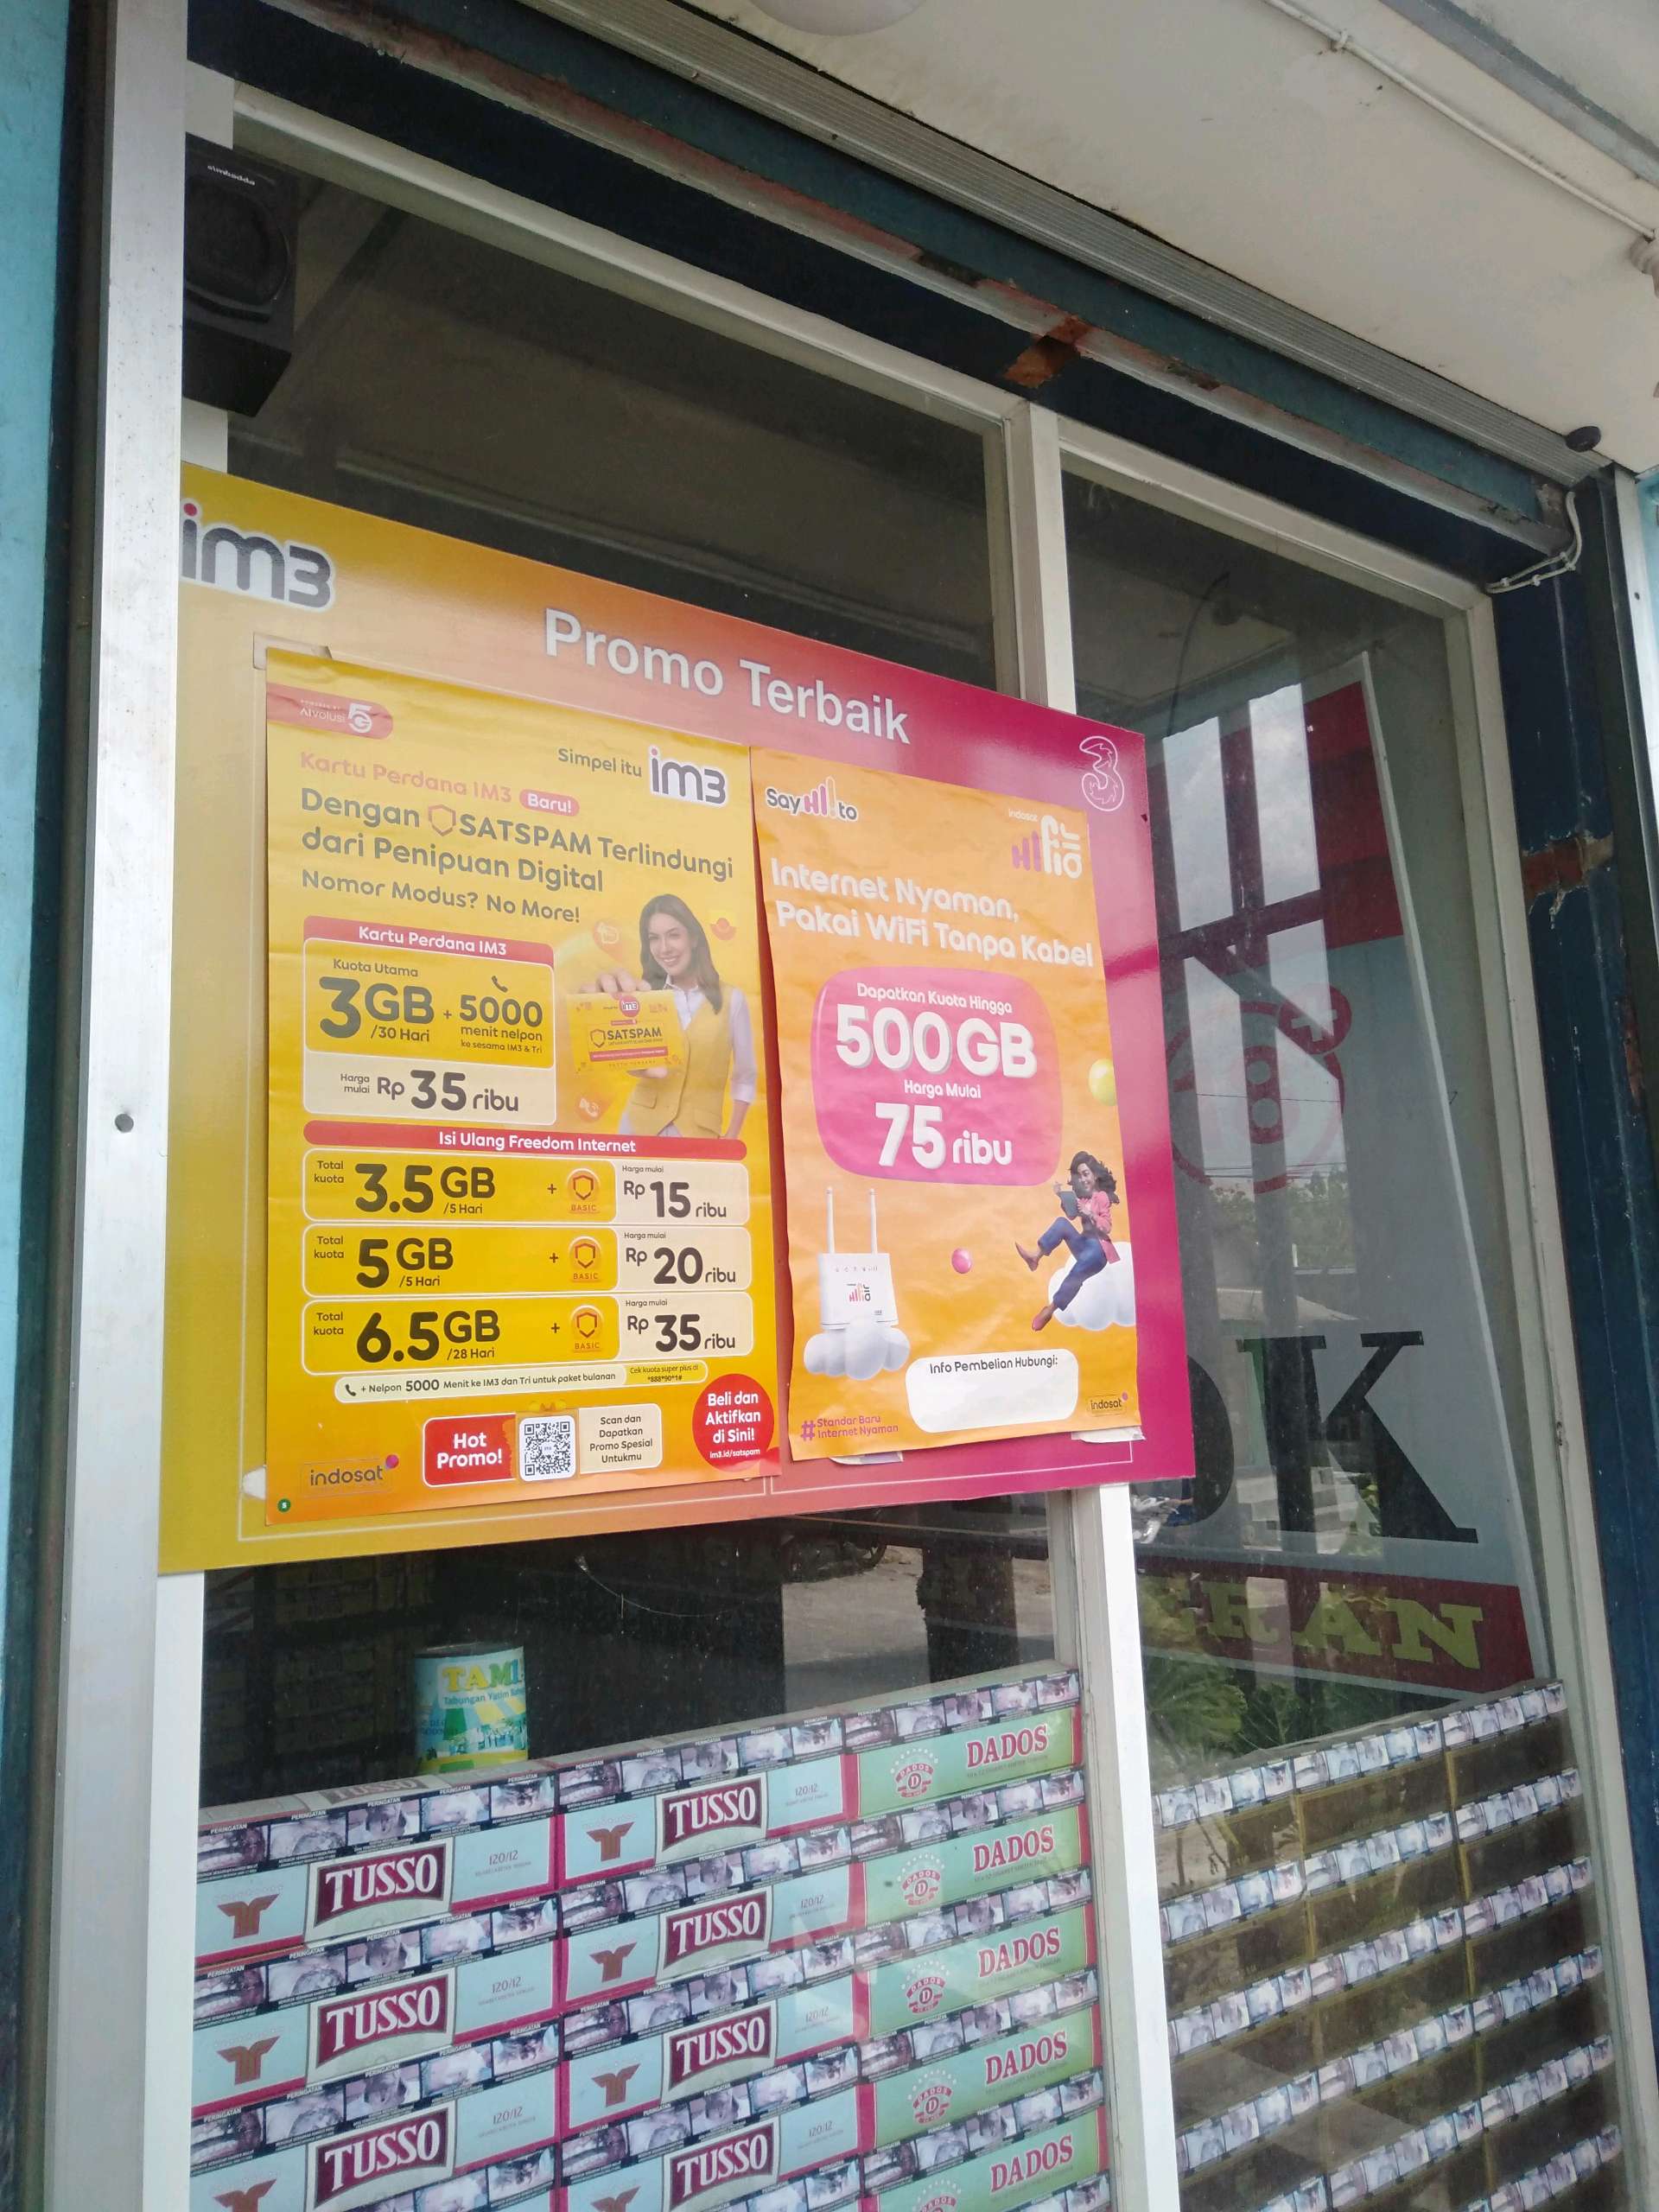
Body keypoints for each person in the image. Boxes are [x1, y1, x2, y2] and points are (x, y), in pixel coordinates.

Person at [592, 894, 756, 1140]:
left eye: (674, 935)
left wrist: (732, 1135)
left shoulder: (733, 999)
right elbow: (631, 1064)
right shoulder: (643, 995)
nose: (664, 948)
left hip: (699, 1134)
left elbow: (746, 1074)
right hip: (639, 1127)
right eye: (654, 938)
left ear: (694, 938)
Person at [1016, 1153, 1120, 1330]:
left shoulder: (1101, 1197)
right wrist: (1061, 1196)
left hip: (1098, 1251)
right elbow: (1071, 1215)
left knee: (1076, 1273)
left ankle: (1050, 1309)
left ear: (1095, 1175)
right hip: (1083, 1244)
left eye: (1086, 1174)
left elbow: (1107, 1226)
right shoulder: (1083, 1198)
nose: (1083, 1179)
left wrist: (1090, 1214)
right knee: (1062, 1223)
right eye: (1080, 1176)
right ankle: (1035, 1257)